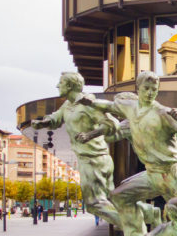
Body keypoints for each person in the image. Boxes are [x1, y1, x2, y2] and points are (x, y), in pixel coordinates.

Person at [81, 71, 177, 236]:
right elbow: (110, 106)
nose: (150, 93)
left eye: (154, 89)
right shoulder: (130, 108)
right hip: (151, 174)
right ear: (138, 89)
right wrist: (90, 102)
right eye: (146, 88)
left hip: (172, 174)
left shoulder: (163, 112)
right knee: (120, 196)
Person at [30, 72, 124, 225]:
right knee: (113, 200)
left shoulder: (87, 104)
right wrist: (43, 122)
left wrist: (90, 135)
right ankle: (146, 214)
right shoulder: (68, 105)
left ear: (69, 85)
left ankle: (131, 227)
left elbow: (113, 124)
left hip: (94, 159)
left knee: (94, 204)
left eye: (60, 83)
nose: (57, 86)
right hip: (90, 159)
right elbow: (56, 117)